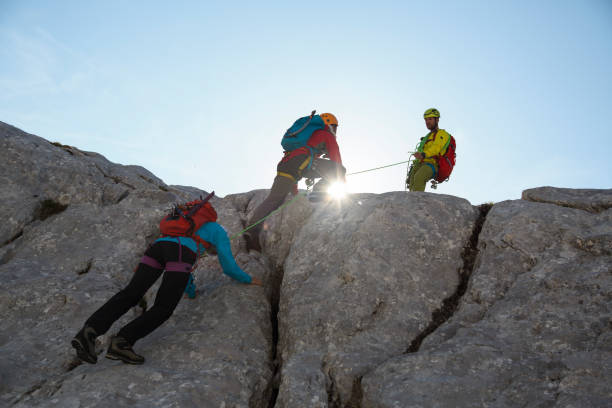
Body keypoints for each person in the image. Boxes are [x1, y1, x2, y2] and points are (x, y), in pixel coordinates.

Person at [71, 216, 262, 365]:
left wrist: (191, 292)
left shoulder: (190, 226)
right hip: (179, 252)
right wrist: (248, 279)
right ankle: (122, 342)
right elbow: (228, 266)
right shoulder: (220, 232)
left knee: (131, 293)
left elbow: (185, 273)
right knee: (164, 307)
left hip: (158, 247)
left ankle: (89, 332)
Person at [244, 112, 346, 252]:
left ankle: (252, 232)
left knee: (274, 200)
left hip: (286, 165)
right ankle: (319, 192)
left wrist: (295, 192)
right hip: (301, 164)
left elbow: (295, 171)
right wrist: (342, 180)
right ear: (328, 124)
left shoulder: (304, 141)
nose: (335, 131)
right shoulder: (325, 134)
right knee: (340, 169)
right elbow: (336, 157)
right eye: (334, 127)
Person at [407, 108, 452, 191]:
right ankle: (412, 202)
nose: (427, 122)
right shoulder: (427, 137)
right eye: (426, 120)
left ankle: (417, 202)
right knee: (411, 182)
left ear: (437, 120)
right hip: (420, 163)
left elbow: (436, 147)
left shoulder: (442, 134)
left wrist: (424, 154)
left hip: (432, 164)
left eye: (430, 119)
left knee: (419, 177)